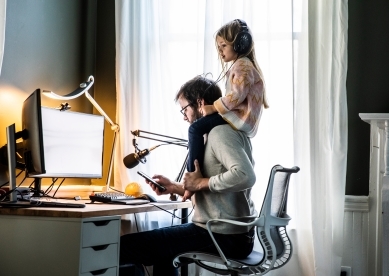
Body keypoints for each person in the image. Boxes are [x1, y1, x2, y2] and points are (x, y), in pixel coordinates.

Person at [119, 75, 257, 276]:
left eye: (185, 109)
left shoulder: (220, 133)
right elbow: (217, 184)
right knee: (162, 251)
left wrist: (200, 183)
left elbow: (245, 176)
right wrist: (175, 187)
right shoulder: (219, 132)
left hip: (223, 236)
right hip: (226, 234)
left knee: (126, 246)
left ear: (199, 103)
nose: (183, 116)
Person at [185, 19, 268, 191]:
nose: (220, 51)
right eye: (218, 47)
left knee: (194, 129)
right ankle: (193, 179)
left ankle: (194, 175)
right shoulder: (242, 66)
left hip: (237, 118)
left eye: (223, 46)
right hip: (238, 119)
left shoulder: (242, 67)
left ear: (240, 44)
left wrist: (213, 107)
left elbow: (236, 96)